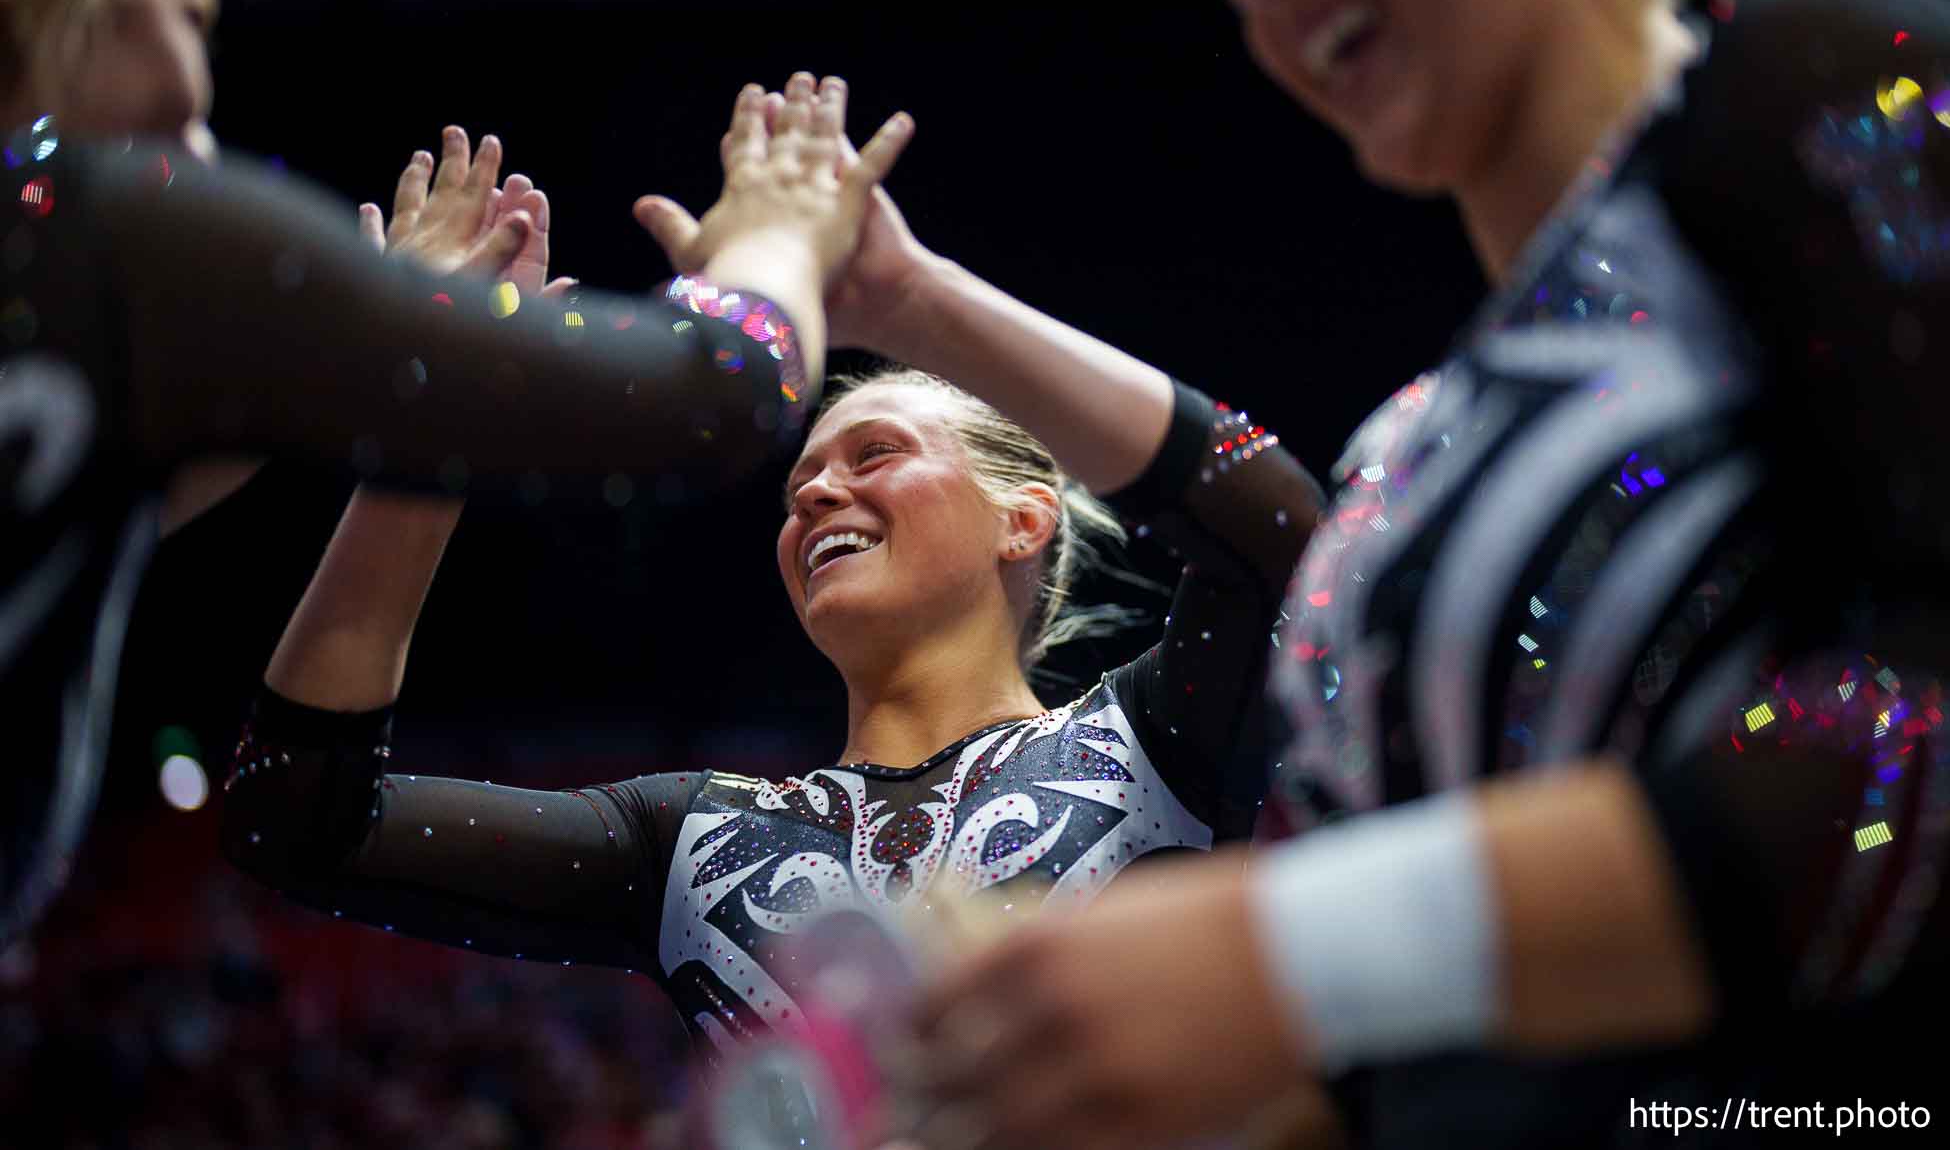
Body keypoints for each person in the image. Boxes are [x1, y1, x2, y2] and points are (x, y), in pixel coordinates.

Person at [909, 0, 1950, 1147]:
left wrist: (1295, 946)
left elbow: (1916, 740)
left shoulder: (1823, 73)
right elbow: (1394, 1064)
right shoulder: (1403, 457)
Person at [220, 71, 1325, 1082]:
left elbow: (1281, 531)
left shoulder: (1158, 743)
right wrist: (428, 426)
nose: (813, 496)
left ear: (1023, 518)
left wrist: (909, 298)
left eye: (876, 453)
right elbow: (295, 818)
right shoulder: (685, 845)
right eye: (797, 482)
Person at [0, 0, 908, 945]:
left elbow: (150, 473)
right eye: (191, 17)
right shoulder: (91, 232)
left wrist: (404, 377)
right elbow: (712, 393)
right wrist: (775, 236)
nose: (199, 117)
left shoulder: (67, 300)